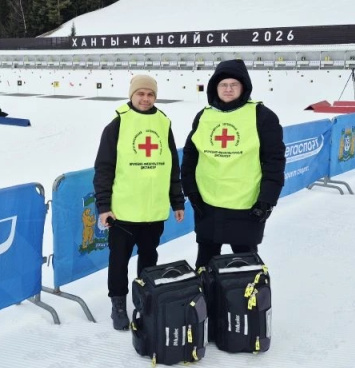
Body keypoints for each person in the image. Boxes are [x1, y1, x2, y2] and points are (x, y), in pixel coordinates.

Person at [93, 74, 186, 330]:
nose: (145, 99)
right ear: (131, 95)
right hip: (123, 211)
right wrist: (104, 207)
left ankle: (145, 298)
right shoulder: (117, 124)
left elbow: (172, 167)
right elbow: (104, 169)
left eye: (150, 94)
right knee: (118, 261)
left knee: (149, 258)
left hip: (153, 210)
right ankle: (119, 304)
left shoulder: (163, 123)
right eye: (140, 94)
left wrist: (177, 201)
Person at [181, 59, 285, 269]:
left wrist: (266, 202)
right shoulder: (204, 116)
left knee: (245, 263)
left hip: (246, 207)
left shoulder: (262, 116)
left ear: (243, 86)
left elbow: (274, 161)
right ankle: (206, 300)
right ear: (214, 87)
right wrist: (191, 193)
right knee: (205, 262)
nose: (228, 89)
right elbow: (190, 157)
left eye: (233, 84)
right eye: (223, 85)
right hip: (208, 205)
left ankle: (247, 301)